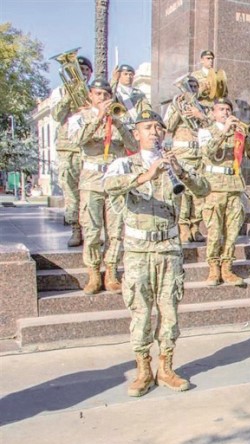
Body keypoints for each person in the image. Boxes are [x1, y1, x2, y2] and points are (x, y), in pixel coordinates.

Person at [104, 110, 210, 397]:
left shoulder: (173, 162)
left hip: (169, 249)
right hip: (139, 250)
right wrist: (145, 175)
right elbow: (108, 186)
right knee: (140, 312)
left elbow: (203, 188)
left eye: (159, 128)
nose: (155, 132)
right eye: (148, 127)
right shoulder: (124, 164)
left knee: (169, 312)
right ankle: (143, 369)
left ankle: (166, 367)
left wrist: (180, 171)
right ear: (136, 134)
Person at [69, 79, 138, 295]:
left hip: (114, 180)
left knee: (116, 230)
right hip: (91, 179)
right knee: (91, 229)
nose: (102, 98)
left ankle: (111, 272)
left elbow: (134, 146)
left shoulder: (120, 117)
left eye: (106, 95)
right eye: (98, 94)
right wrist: (98, 118)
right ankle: (93, 272)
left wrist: (118, 124)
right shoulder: (80, 118)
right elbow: (76, 140)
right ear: (90, 95)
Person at [198, 97, 250, 286]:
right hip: (214, 187)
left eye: (228, 109)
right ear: (213, 113)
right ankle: (213, 268)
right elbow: (208, 152)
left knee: (232, 231)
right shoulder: (206, 131)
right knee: (215, 230)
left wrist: (245, 136)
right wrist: (224, 131)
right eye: (221, 109)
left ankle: (227, 267)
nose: (225, 112)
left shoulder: (238, 132)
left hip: (234, 186)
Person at [51, 55, 93, 247]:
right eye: (79, 70)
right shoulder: (60, 91)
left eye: (85, 70)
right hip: (68, 148)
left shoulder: (94, 92)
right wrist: (70, 94)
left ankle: (91, 231)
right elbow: (57, 115)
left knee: (90, 191)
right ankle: (76, 229)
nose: (82, 73)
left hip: (89, 146)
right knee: (71, 192)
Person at [164, 75, 210, 243]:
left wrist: (200, 115)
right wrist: (179, 109)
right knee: (184, 193)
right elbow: (168, 126)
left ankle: (196, 226)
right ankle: (183, 227)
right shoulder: (176, 104)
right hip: (182, 154)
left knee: (198, 193)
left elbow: (212, 128)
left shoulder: (204, 108)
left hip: (200, 154)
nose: (191, 90)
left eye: (194, 87)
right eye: (188, 86)